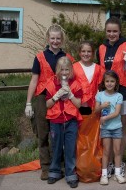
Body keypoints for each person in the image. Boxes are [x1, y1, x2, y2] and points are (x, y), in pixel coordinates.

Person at [24, 24, 75, 180]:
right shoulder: (39, 57)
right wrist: (28, 103)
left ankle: (58, 165)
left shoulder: (67, 57)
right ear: (48, 39)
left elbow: (74, 77)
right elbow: (34, 80)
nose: (55, 41)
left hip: (61, 98)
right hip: (42, 97)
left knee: (59, 134)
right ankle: (45, 167)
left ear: (62, 39)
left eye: (58, 38)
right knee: (43, 133)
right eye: (52, 38)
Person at [96, 16, 126, 177]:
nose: (112, 34)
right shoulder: (101, 48)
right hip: (106, 94)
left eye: (115, 31)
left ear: (120, 31)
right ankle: (107, 164)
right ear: (105, 31)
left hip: (124, 92)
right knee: (107, 128)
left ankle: (118, 163)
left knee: (120, 129)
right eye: (109, 31)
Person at [45, 56, 82, 188]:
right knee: (56, 147)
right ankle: (54, 171)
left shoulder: (76, 84)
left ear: (71, 70)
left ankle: (70, 173)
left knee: (70, 148)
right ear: (57, 70)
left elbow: (78, 104)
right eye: (62, 70)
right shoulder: (51, 84)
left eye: (67, 69)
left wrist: (71, 95)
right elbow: (47, 105)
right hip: (56, 120)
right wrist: (56, 96)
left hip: (71, 120)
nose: (64, 72)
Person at [73, 41, 103, 182]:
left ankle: (94, 167)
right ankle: (80, 168)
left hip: (94, 109)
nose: (86, 54)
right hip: (79, 108)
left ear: (93, 53)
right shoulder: (74, 68)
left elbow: (102, 87)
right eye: (83, 51)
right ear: (79, 52)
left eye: (89, 51)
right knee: (80, 140)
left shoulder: (98, 68)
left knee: (94, 140)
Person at [95, 70, 126, 185]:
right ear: (104, 82)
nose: (109, 83)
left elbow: (117, 113)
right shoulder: (100, 95)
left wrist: (105, 118)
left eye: (112, 81)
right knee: (106, 151)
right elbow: (96, 110)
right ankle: (104, 175)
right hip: (105, 128)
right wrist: (102, 106)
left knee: (117, 151)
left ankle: (118, 173)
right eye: (107, 81)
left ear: (116, 82)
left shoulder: (119, 96)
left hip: (116, 127)